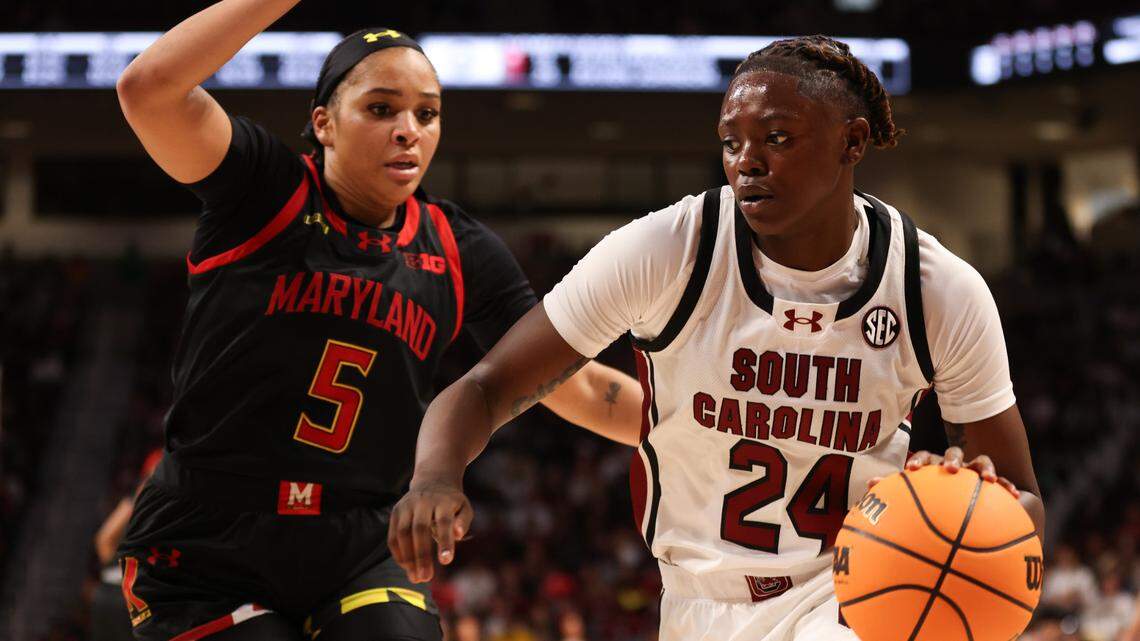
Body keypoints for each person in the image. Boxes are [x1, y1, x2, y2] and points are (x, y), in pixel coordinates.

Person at [390, 35, 1047, 641]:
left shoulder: (935, 289)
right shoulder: (670, 249)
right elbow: (488, 383)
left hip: (848, 597)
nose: (747, 162)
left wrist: (980, 506)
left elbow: (1024, 504)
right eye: (731, 141)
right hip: (690, 601)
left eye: (778, 137)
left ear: (853, 141)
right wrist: (436, 474)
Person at [112, 2, 642, 640]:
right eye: (381, 108)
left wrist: (710, 420)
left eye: (427, 113)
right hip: (208, 540)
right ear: (324, 123)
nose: (408, 130)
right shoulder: (264, 192)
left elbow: (576, 385)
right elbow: (148, 89)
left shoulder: (458, 247)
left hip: (356, 537)